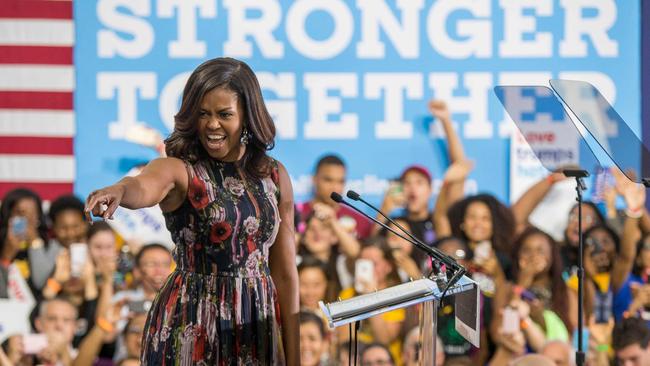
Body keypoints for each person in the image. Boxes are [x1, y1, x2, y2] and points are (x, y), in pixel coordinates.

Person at [84, 57, 299, 365]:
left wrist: (295, 357)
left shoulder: (274, 176)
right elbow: (143, 187)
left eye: (224, 114)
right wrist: (119, 189)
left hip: (256, 323)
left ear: (248, 116)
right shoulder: (179, 169)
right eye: (203, 114)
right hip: (190, 320)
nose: (212, 124)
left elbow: (285, 274)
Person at [297, 154, 372, 239]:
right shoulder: (293, 214)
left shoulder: (360, 221)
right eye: (328, 180)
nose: (335, 187)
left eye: (340, 181)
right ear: (314, 179)